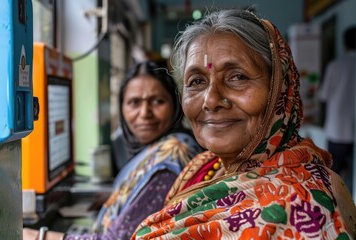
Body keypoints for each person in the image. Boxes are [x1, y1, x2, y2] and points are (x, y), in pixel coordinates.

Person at [132, 9, 356, 239]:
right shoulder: (204, 167)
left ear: (279, 90)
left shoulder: (300, 209)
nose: (211, 100)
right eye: (197, 81)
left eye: (238, 77)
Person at [23, 61, 203, 239]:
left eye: (157, 101)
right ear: (122, 107)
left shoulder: (172, 157)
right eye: (134, 102)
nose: (144, 113)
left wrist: (38, 237)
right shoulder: (162, 146)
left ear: (176, 105)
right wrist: (119, 197)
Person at [319, 26, 356, 193]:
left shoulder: (335, 66)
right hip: (350, 130)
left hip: (338, 130)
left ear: (345, 44)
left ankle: (338, 209)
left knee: (334, 174)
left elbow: (323, 96)